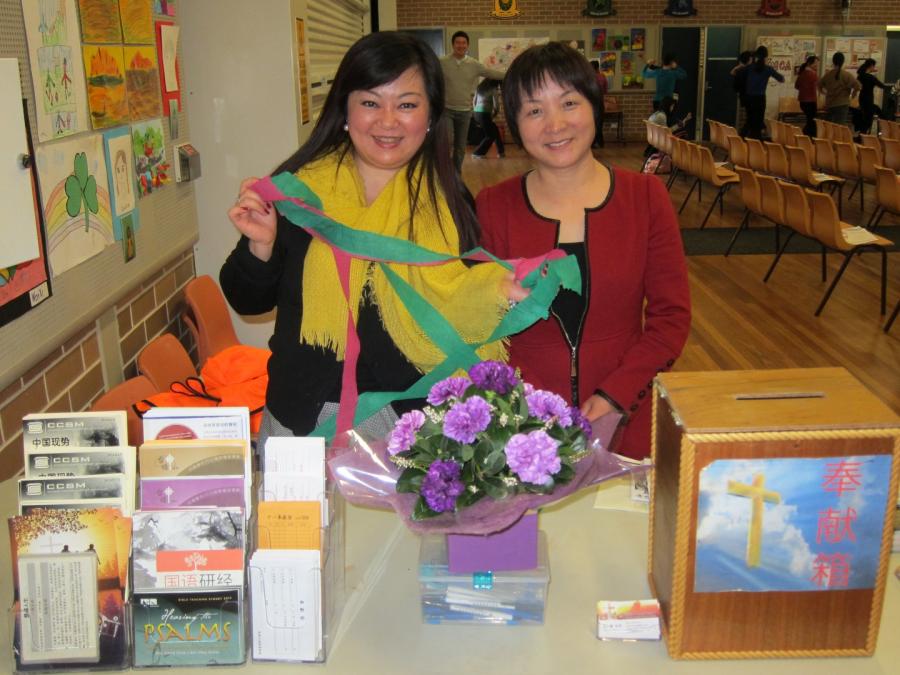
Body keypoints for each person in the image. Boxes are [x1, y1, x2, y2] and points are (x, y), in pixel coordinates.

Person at [221, 32, 522, 447]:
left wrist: (498, 289)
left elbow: (460, 305)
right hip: (300, 415)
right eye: (370, 103)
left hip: (407, 426)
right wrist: (261, 246)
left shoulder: (449, 205)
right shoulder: (300, 193)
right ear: (344, 109)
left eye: (407, 105)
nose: (387, 121)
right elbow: (247, 301)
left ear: (431, 115)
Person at [476, 42, 691, 460]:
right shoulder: (493, 206)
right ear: (515, 124)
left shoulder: (645, 197)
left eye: (569, 103)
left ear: (594, 106)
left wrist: (616, 394)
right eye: (534, 111)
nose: (555, 125)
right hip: (524, 426)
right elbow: (482, 325)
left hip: (626, 415)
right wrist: (532, 406)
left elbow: (671, 318)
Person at [440, 31, 504, 172]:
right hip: (447, 110)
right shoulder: (442, 62)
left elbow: (490, 73)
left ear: (467, 45)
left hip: (465, 112)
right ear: (453, 44)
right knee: (447, 143)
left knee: (460, 147)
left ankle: (456, 175)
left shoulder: (474, 64)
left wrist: (511, 74)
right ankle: (445, 173)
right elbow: (430, 75)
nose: (461, 45)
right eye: (458, 42)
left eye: (463, 43)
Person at [741, 45, 784, 139]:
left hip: (748, 97)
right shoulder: (767, 69)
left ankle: (742, 138)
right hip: (759, 98)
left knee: (750, 119)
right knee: (758, 120)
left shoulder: (749, 68)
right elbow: (781, 78)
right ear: (765, 57)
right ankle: (755, 139)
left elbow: (740, 74)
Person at [818, 51, 861, 126]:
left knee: (829, 126)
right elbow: (857, 86)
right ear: (843, 61)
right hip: (842, 104)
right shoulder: (846, 75)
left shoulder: (828, 74)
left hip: (830, 103)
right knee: (840, 126)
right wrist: (853, 95)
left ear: (833, 61)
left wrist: (824, 92)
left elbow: (819, 85)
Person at [855, 58, 890, 136]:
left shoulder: (860, 76)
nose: (874, 68)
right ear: (871, 66)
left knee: (866, 118)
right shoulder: (871, 77)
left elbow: (857, 87)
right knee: (868, 119)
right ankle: (864, 136)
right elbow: (882, 85)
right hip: (868, 99)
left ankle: (862, 135)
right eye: (874, 66)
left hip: (862, 99)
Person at [471, 78, 505, 159]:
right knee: (490, 135)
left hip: (476, 113)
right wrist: (493, 115)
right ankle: (477, 153)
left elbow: (474, 101)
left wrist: (476, 112)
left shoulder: (479, 88)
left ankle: (501, 152)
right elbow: (496, 106)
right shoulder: (493, 89)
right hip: (484, 114)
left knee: (495, 130)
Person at [795, 54, 820, 138]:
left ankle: (805, 136)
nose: (816, 66)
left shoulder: (802, 73)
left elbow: (796, 86)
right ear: (809, 63)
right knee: (812, 122)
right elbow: (818, 86)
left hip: (802, 101)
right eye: (815, 64)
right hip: (811, 101)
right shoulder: (813, 74)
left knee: (810, 121)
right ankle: (807, 137)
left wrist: (804, 90)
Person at [589, 60, 608, 148]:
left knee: (593, 123)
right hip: (600, 102)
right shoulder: (602, 76)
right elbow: (605, 91)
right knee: (599, 122)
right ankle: (600, 142)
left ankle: (593, 142)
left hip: (592, 102)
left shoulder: (590, 78)